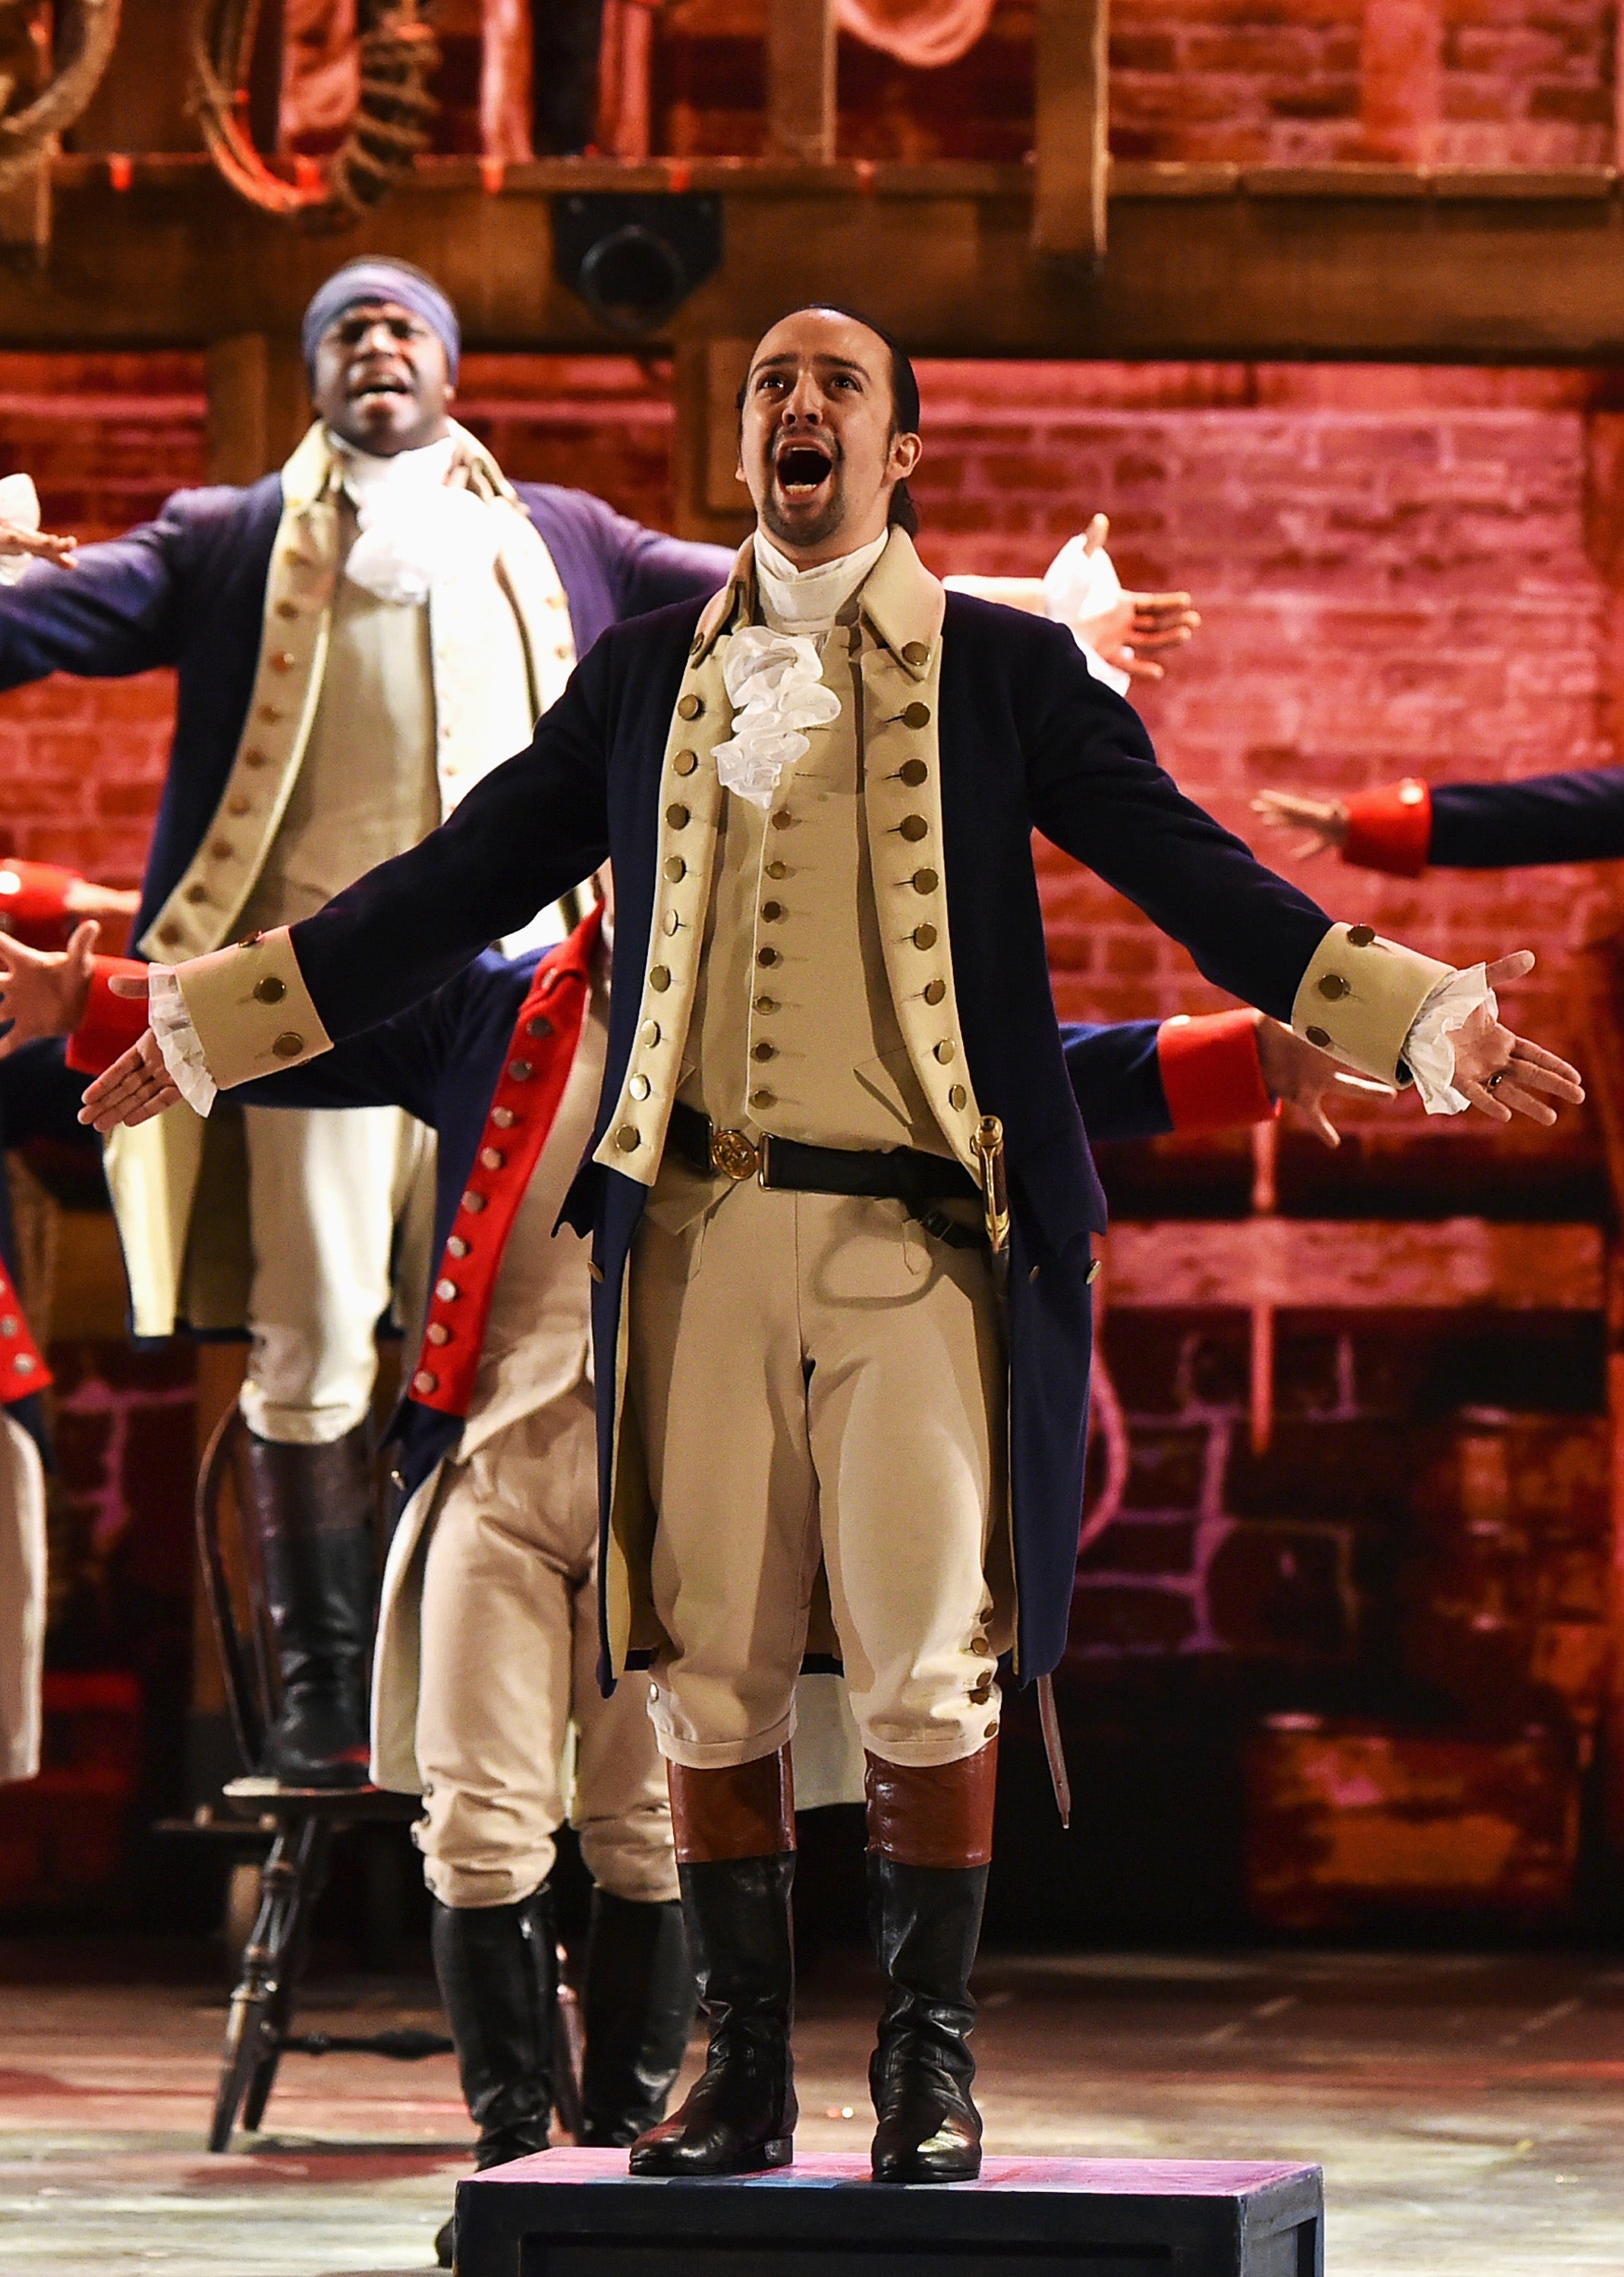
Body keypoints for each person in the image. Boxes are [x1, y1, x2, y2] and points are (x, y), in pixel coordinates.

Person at [77, 305, 1583, 2187]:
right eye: (769, 389)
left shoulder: (1007, 674)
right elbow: (450, 889)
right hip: (695, 1238)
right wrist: (213, 1016)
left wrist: (1410, 1014)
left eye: (835, 386)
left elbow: (1192, 871)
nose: (799, 407)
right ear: (741, 459)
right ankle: (748, 2073)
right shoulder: (636, 679)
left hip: (917, 1250)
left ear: (900, 452)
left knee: (922, 1666)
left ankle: (925, 2064)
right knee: (705, 1666)